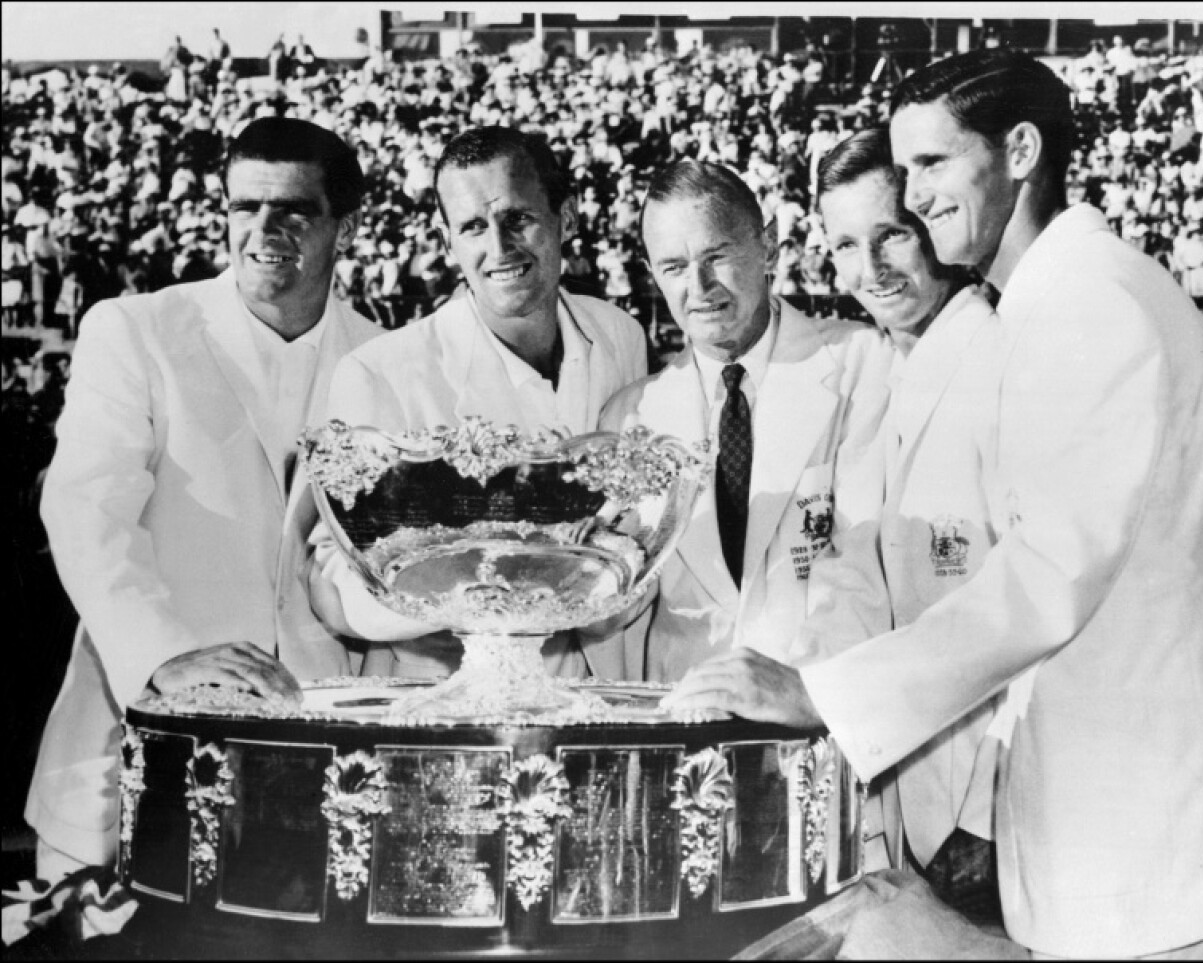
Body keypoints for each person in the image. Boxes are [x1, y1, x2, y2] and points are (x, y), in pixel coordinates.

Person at [667, 48, 1203, 959]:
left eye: (931, 163)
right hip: (1105, 827)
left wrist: (826, 695)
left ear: (1021, 151)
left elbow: (1044, 579)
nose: (916, 196)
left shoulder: (1090, 305)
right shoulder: (1063, 299)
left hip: (1138, 844)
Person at [26, 117, 383, 883]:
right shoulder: (137, 328)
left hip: (317, 787)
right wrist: (163, 654)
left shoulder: (381, 356)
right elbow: (86, 509)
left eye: (292, 209)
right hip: (128, 768)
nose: (263, 230)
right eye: (243, 208)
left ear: (346, 225)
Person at [307, 126, 648, 682]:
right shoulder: (378, 373)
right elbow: (331, 575)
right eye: (472, 227)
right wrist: (478, 592)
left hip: (601, 689)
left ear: (568, 213)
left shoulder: (620, 336)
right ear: (447, 242)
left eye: (517, 218)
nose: (498, 247)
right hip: (448, 705)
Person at [599, 157, 895, 694]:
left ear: (768, 248)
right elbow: (617, 612)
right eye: (673, 267)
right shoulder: (630, 417)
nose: (700, 286)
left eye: (718, 255)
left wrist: (803, 693)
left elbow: (866, 568)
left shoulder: (862, 363)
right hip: (685, 718)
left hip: (819, 708)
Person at [814, 128, 1004, 919]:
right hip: (893, 809)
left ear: (933, 224)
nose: (873, 268)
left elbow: (1044, 610)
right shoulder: (869, 372)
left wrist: (985, 815)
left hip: (986, 815)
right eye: (847, 245)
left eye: (892, 233)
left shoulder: (1001, 356)